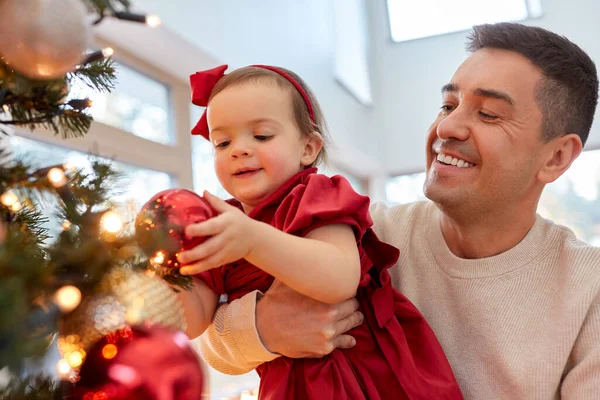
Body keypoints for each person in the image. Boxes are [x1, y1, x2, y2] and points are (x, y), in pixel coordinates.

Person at [198, 23, 600, 399]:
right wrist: (264, 330)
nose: (446, 129)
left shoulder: (589, 289)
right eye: (447, 106)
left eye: (488, 114)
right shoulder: (362, 231)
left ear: (557, 156)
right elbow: (212, 341)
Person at [175, 64, 463, 399]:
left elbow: (338, 279)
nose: (238, 149)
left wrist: (252, 240)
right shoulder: (221, 222)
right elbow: (192, 322)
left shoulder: (315, 195)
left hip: (366, 375)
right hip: (292, 386)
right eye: (222, 142)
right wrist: (169, 271)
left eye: (262, 136)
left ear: (308, 149)